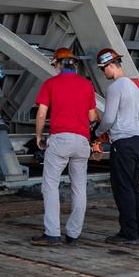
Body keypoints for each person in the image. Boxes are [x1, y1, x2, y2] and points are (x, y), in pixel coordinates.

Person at [31, 47, 99, 246]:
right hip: (82, 142)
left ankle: (52, 233)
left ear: (58, 65)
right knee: (79, 187)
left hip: (60, 140)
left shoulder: (50, 84)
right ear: (74, 64)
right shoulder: (87, 85)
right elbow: (93, 117)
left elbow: (42, 114)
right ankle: (73, 234)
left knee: (50, 185)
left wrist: (38, 137)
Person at [96, 48, 139, 244]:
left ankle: (128, 233)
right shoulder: (133, 86)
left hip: (123, 143)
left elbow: (108, 118)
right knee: (133, 188)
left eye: (103, 69)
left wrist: (97, 133)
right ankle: (138, 231)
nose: (103, 73)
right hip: (137, 141)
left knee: (122, 189)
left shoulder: (115, 87)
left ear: (110, 65)